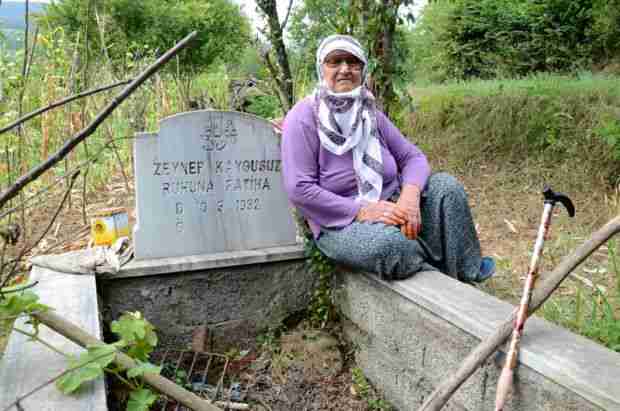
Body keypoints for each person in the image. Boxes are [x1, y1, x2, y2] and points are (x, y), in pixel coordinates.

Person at [281, 34, 494, 282]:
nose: (345, 69)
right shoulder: (303, 117)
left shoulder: (368, 111)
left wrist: (410, 197)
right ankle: (441, 275)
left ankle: (468, 271)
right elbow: (299, 188)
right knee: (390, 246)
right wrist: (362, 211)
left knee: (447, 188)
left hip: (393, 203)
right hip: (341, 222)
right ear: (321, 68)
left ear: (363, 69)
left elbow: (413, 157)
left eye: (353, 62)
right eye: (335, 61)